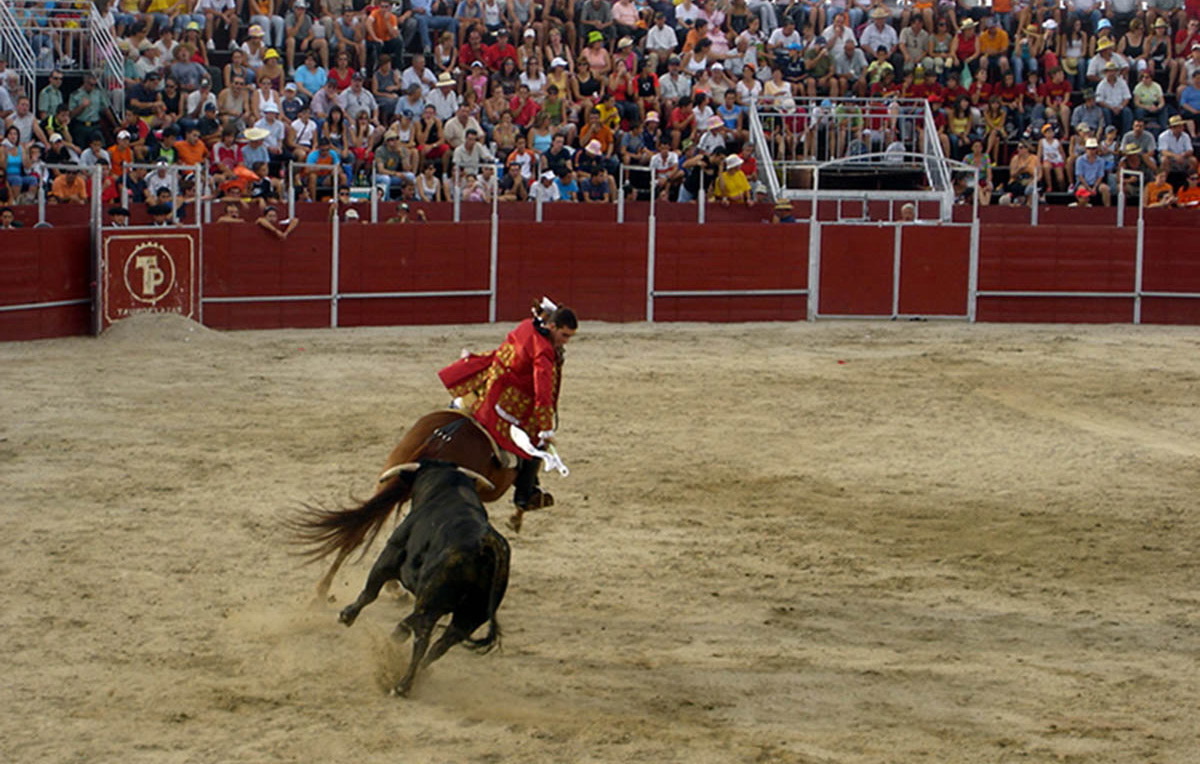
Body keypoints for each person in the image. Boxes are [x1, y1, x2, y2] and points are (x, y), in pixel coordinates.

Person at [438, 298, 578, 530]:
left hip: (491, 377)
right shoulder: (544, 353)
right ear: (552, 327)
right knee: (533, 444)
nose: (566, 342)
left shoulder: (527, 325)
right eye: (564, 336)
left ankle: (454, 411)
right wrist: (545, 428)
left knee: (465, 402)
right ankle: (525, 494)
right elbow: (543, 393)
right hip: (508, 399)